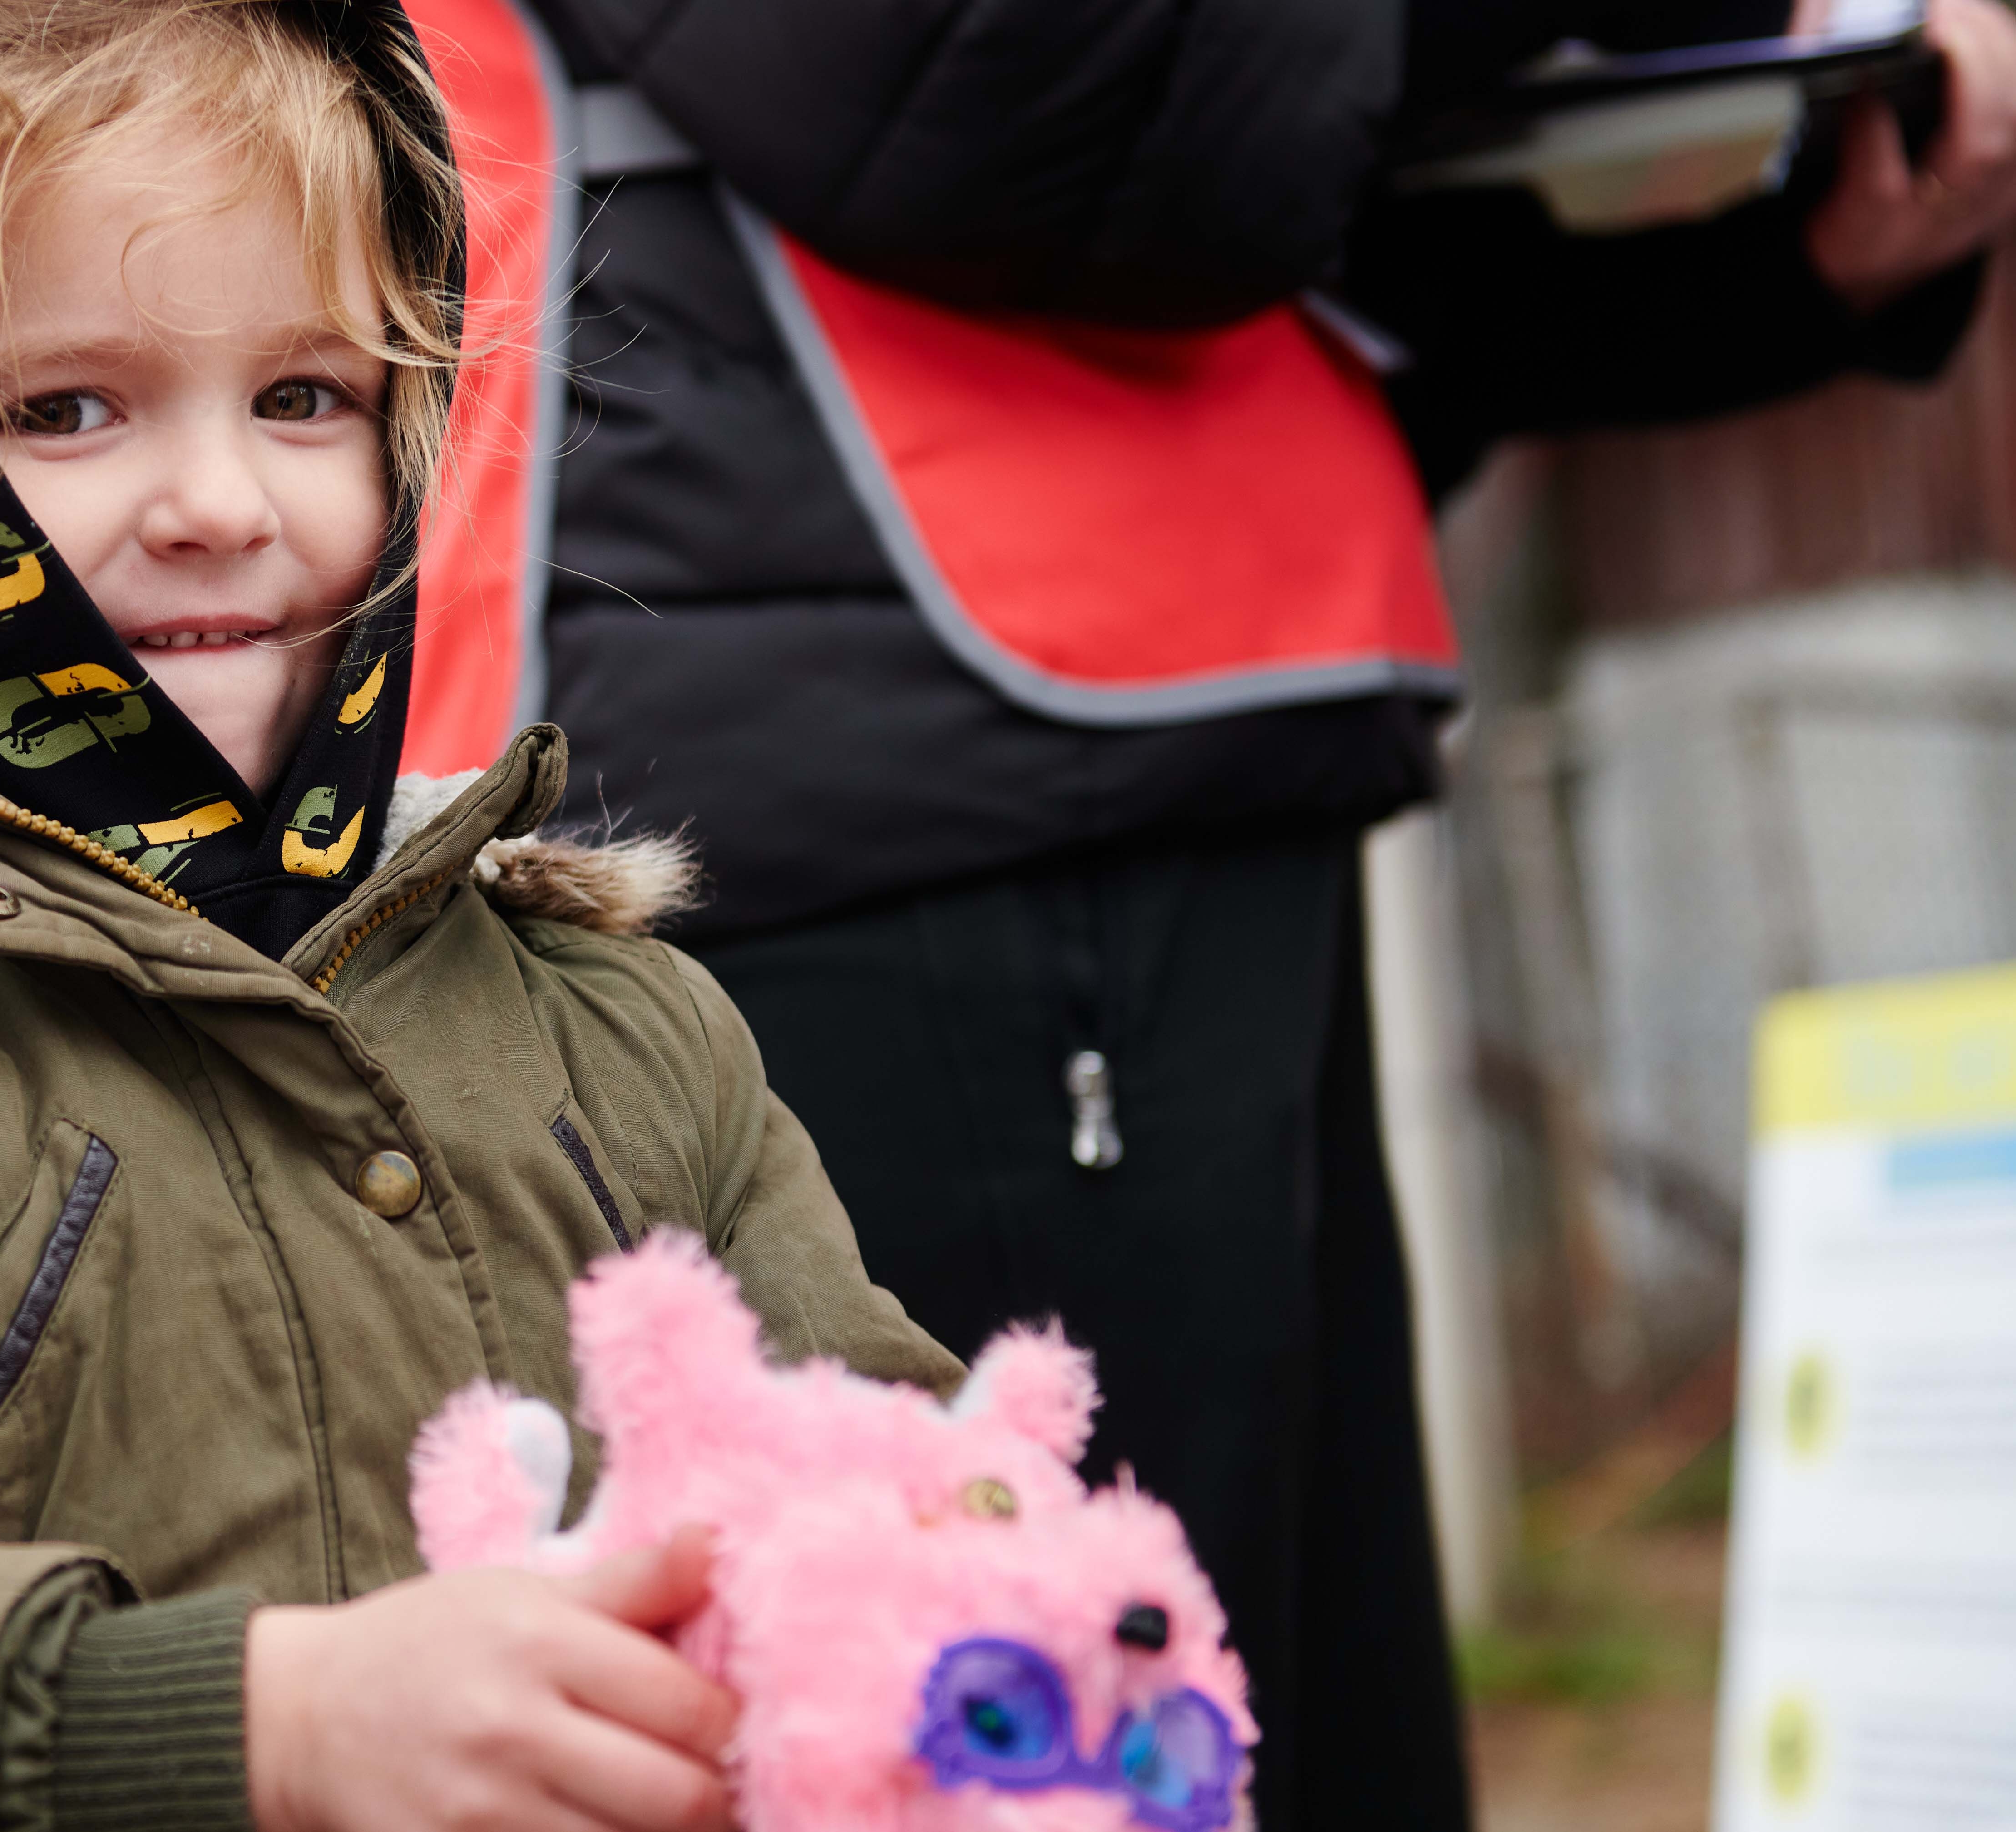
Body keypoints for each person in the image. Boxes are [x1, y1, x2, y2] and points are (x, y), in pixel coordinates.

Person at [364, 1, 2016, 1826]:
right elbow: (1025, 73)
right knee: (1062, 1744)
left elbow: (1275, 194)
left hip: (1097, 734)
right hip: (897, 813)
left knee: (1267, 1733)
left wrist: (1798, 250)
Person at [0, 5, 956, 1830]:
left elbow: (888, 1505)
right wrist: (256, 1719)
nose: (216, 503)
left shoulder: (612, 1012)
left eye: (304, 397)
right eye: (63, 410)